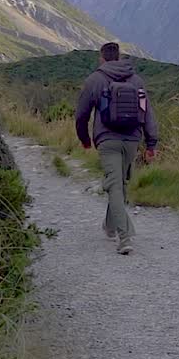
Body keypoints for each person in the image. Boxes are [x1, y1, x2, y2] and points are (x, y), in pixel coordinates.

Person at [75, 42, 159, 255]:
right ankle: (109, 226)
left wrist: (85, 140)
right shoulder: (136, 80)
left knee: (115, 186)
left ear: (101, 58)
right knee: (118, 184)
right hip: (132, 140)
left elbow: (81, 115)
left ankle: (124, 238)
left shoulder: (94, 80)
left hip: (107, 140)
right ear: (119, 57)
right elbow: (147, 113)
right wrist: (151, 144)